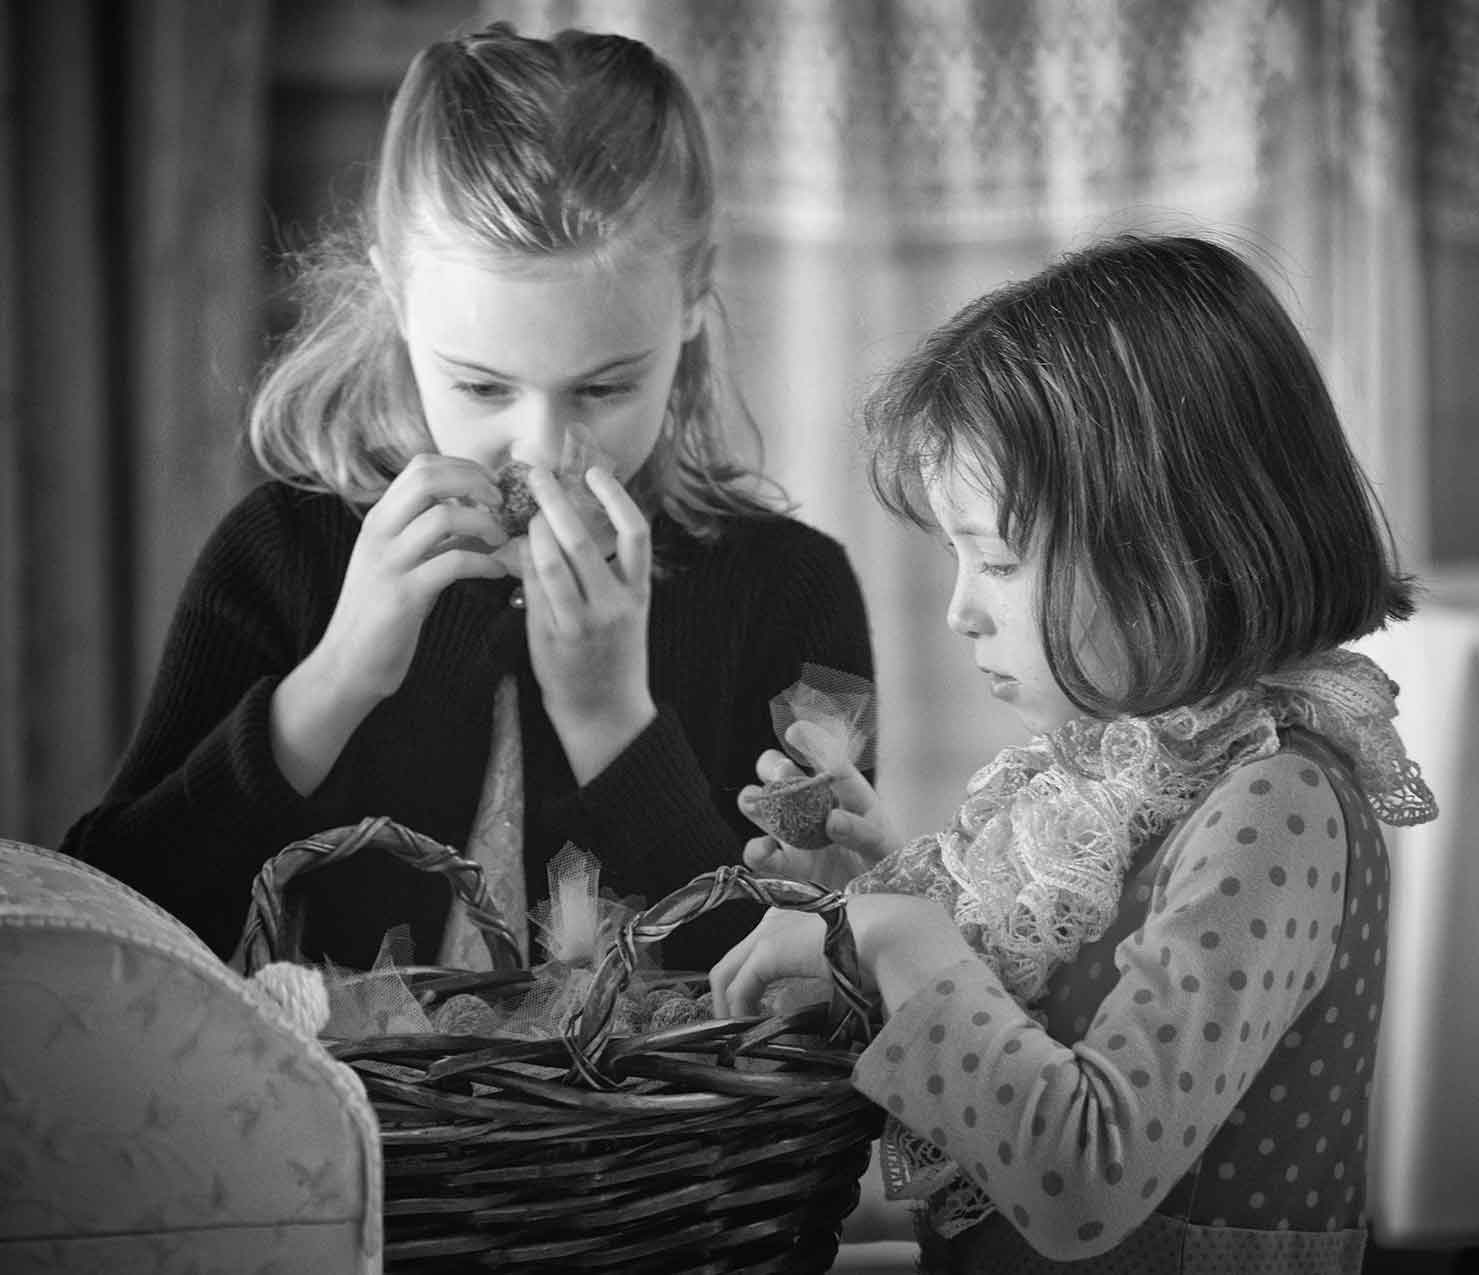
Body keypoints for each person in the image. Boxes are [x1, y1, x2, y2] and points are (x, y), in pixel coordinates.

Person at [60, 20, 873, 976]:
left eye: (604, 387)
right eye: (483, 387)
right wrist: (332, 684)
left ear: (693, 298)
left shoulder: (796, 592)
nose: (542, 450)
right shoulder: (281, 552)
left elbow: (817, 994)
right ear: (399, 301)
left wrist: (616, 723)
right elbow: (103, 923)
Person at [711, 233, 1437, 1272]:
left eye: (999, 558)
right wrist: (872, 889)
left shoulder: (1279, 801)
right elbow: (1023, 1045)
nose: (962, 610)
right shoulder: (1120, 777)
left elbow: (1084, 1179)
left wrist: (894, 938)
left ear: (1183, 544)